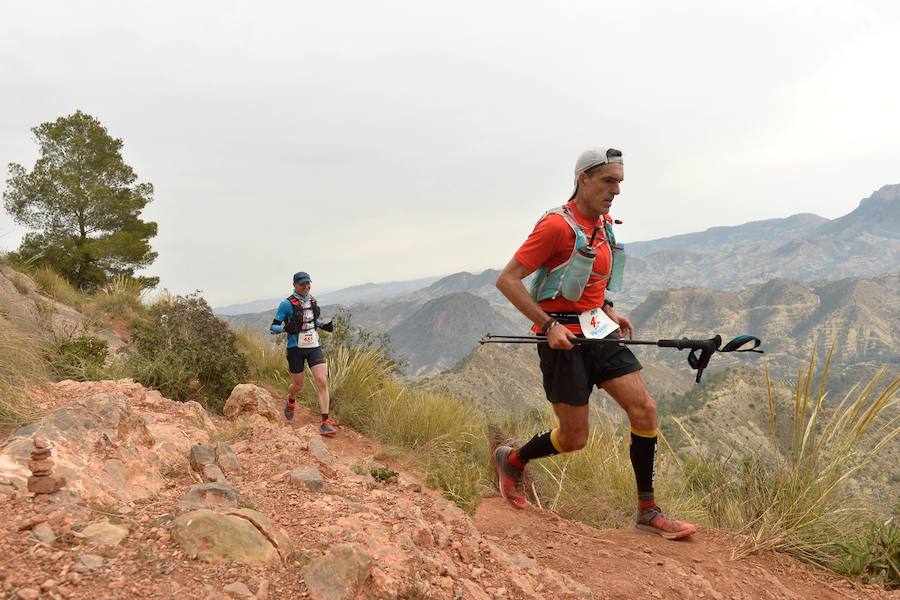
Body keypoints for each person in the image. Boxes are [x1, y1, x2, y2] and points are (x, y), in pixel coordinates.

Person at [494, 147, 697, 539]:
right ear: (583, 179)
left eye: (619, 182)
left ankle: (647, 511)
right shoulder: (555, 226)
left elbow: (589, 278)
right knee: (574, 438)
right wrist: (548, 324)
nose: (616, 190)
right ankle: (514, 460)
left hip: (598, 331)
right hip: (563, 339)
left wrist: (608, 307)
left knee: (644, 409)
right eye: (608, 181)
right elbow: (508, 280)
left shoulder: (603, 224)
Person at [269, 271, 337, 436]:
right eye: (302, 284)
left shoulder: (312, 300)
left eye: (308, 283)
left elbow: (311, 320)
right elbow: (273, 327)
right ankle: (291, 399)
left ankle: (325, 422)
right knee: (298, 385)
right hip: (295, 349)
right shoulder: (286, 304)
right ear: (294, 285)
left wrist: (322, 325)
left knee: (322, 381)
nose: (306, 286)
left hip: (314, 346)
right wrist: (285, 328)